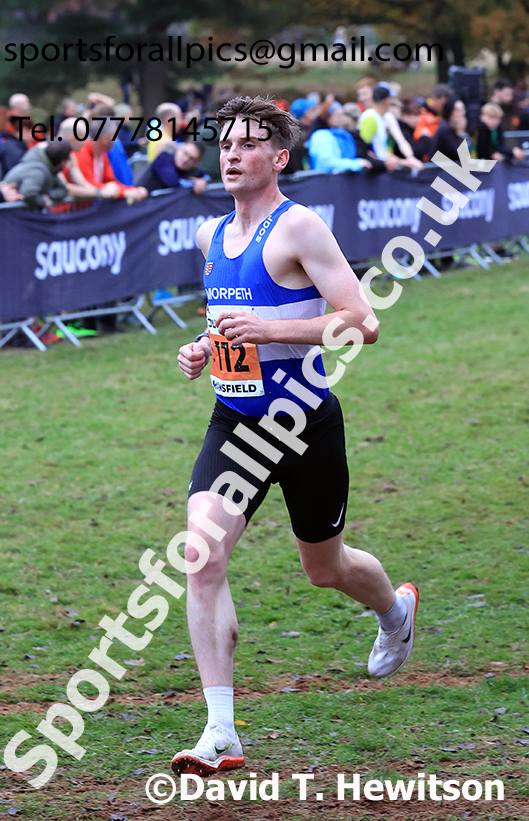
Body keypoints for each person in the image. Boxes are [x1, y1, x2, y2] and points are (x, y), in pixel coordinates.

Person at [173, 95, 419, 777]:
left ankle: (393, 609)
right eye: (225, 142)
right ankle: (220, 728)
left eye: (249, 144)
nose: (231, 153)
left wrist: (271, 330)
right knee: (202, 553)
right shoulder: (208, 238)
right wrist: (202, 349)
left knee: (324, 567)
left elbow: (361, 321)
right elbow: (229, 324)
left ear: (278, 157)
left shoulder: (299, 226)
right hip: (236, 421)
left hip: (303, 421)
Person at [2, 141, 71, 210]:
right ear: (62, 162)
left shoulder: (49, 168)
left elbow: (63, 190)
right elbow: (28, 193)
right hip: (11, 212)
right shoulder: (37, 171)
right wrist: (43, 201)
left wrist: (47, 196)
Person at [307, 101, 371, 173]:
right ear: (328, 117)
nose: (342, 118)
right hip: (324, 180)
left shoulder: (345, 134)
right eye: (338, 115)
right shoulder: (321, 136)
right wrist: (356, 164)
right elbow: (327, 163)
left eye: (343, 115)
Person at [136, 140, 209, 194]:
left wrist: (203, 181)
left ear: (196, 163)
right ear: (179, 149)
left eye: (191, 158)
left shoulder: (190, 169)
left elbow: (204, 175)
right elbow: (173, 182)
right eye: (185, 153)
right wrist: (193, 184)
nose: (186, 159)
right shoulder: (164, 158)